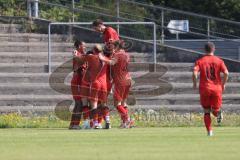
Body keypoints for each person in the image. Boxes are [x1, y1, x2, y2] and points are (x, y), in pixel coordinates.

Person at [192, 42, 229, 136]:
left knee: (206, 110)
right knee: (215, 110)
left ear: (204, 50)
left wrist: (195, 84)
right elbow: (226, 73)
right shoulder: (219, 61)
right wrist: (223, 84)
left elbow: (195, 73)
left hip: (204, 88)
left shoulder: (200, 61)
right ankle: (218, 113)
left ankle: (209, 132)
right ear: (214, 49)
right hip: (217, 88)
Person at [99, 40, 134, 128]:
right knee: (123, 103)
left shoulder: (117, 55)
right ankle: (124, 123)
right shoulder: (126, 54)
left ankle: (127, 119)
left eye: (114, 46)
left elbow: (112, 62)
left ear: (117, 46)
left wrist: (102, 58)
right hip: (128, 79)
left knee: (117, 104)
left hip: (120, 80)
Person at [76, 44, 109, 129]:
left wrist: (76, 54)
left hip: (90, 83)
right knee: (102, 104)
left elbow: (79, 60)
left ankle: (92, 122)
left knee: (89, 103)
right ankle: (105, 121)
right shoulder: (105, 59)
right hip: (103, 84)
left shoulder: (91, 58)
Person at [69, 40, 86, 130]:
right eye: (84, 46)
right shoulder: (78, 55)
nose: (85, 47)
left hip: (77, 81)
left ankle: (73, 124)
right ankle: (75, 124)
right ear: (79, 46)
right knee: (79, 104)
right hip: (77, 81)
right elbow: (76, 67)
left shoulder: (80, 55)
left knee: (77, 104)